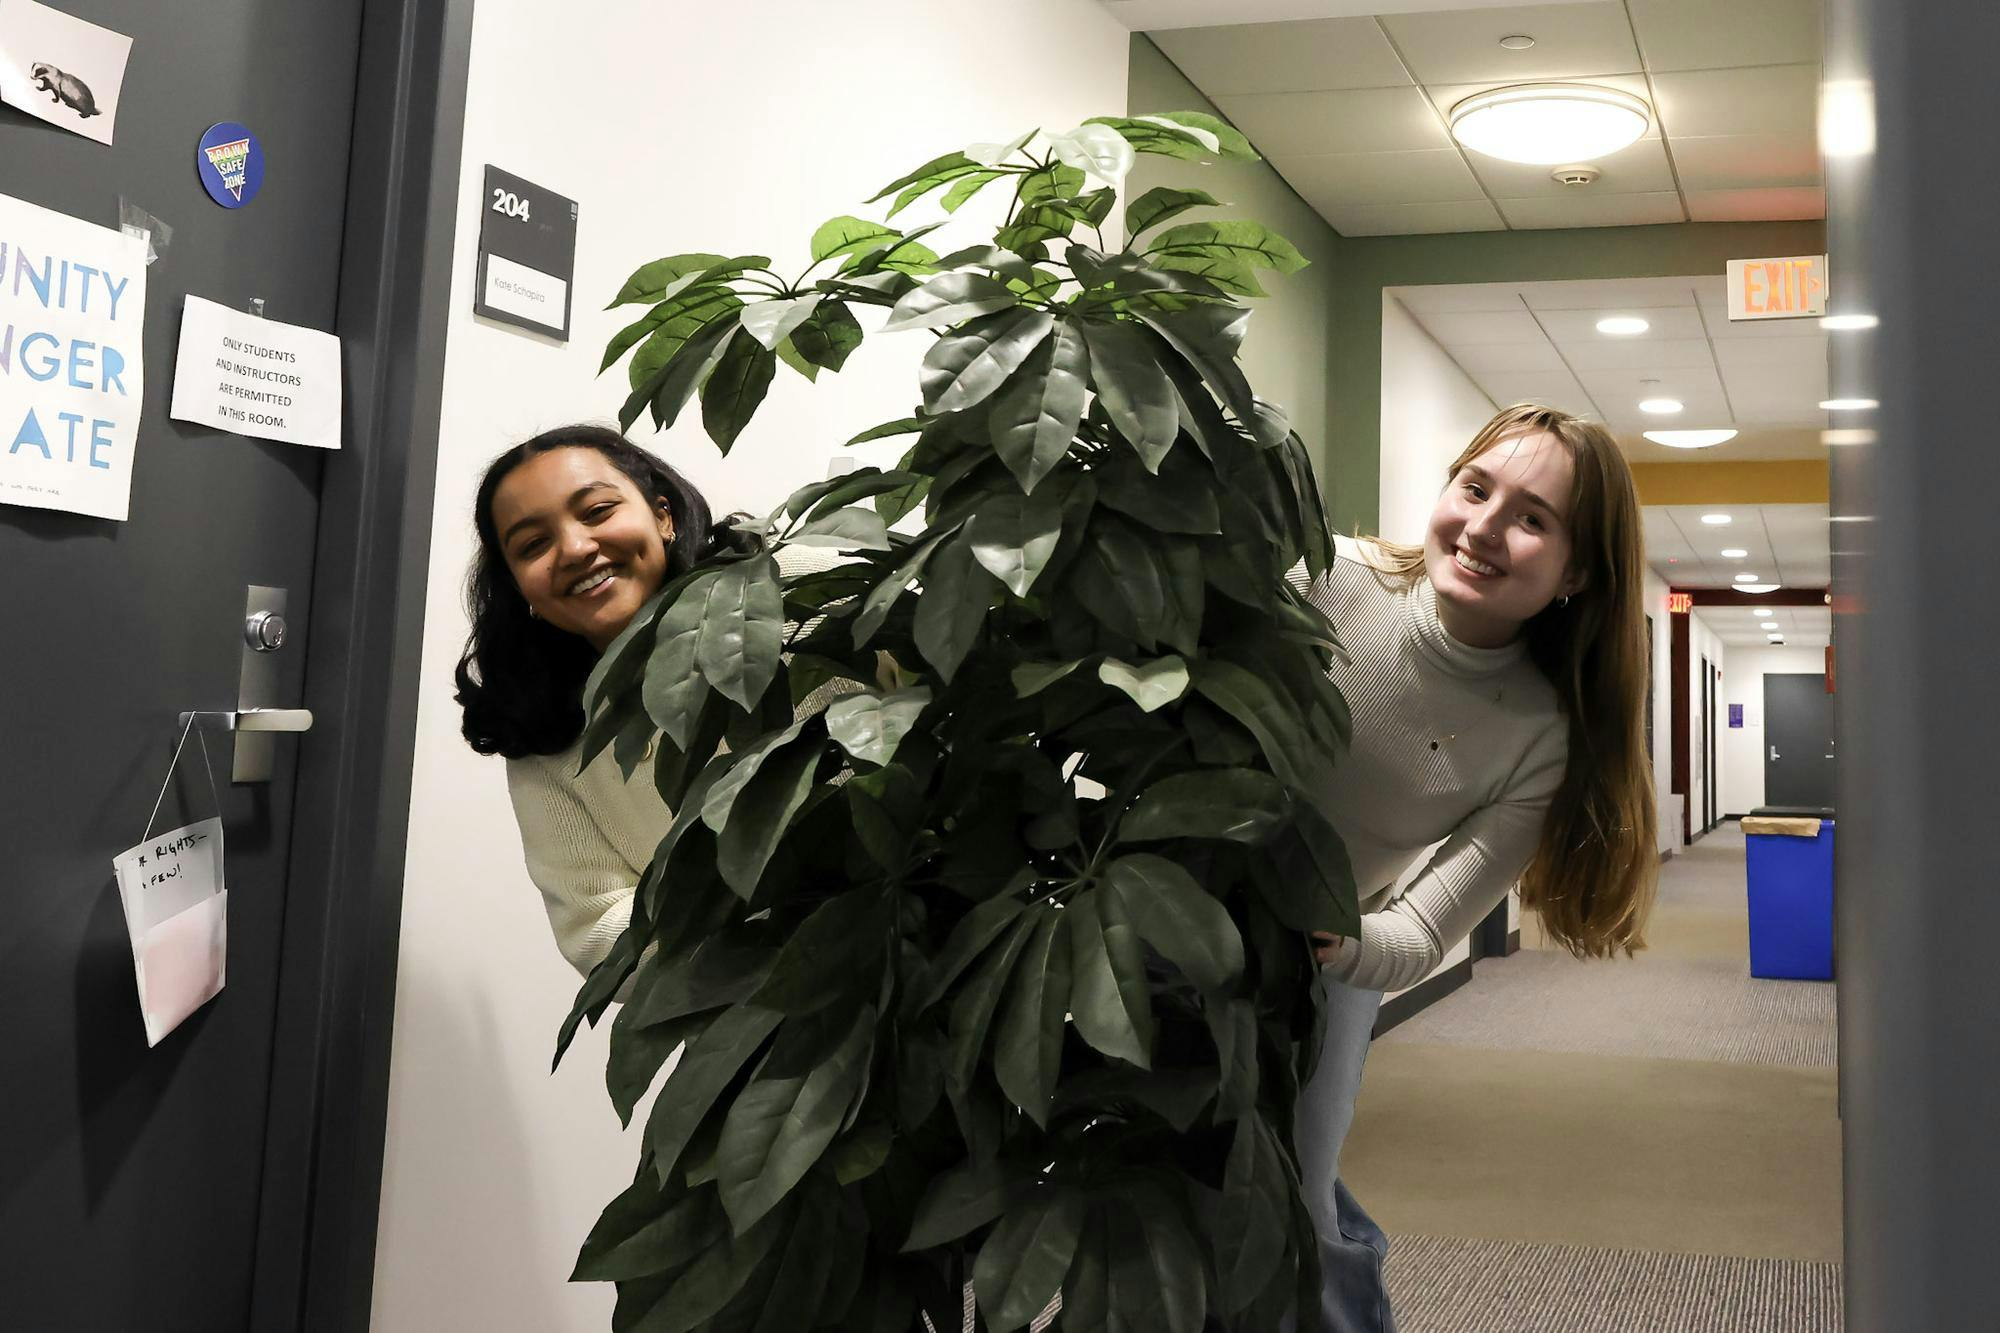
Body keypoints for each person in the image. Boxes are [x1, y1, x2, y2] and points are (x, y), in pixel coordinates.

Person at [1286, 402, 1659, 1333]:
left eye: (1533, 518)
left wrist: (1332, 939)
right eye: (1476, 487)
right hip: (1154, 907)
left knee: (1295, 1204)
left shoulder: (1539, 735)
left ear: (1577, 572)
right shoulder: (1327, 575)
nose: (1486, 527)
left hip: (1326, 956)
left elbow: (1417, 932)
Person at [454, 423, 754, 976]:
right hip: (754, 1021)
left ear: (663, 516)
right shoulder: (548, 740)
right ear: (521, 589)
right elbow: (596, 930)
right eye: (533, 545)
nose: (574, 548)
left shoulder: (803, 595)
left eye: (596, 512)